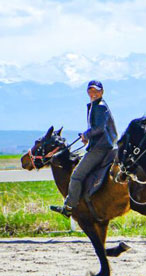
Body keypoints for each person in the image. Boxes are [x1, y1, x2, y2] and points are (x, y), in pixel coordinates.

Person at [50, 80, 117, 217]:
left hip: (100, 148)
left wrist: (86, 134)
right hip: (103, 144)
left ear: (102, 92)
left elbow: (99, 128)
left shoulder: (100, 107)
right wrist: (87, 137)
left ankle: (69, 207)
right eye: (90, 91)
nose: (93, 93)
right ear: (87, 92)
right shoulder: (97, 105)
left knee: (76, 176)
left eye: (96, 91)